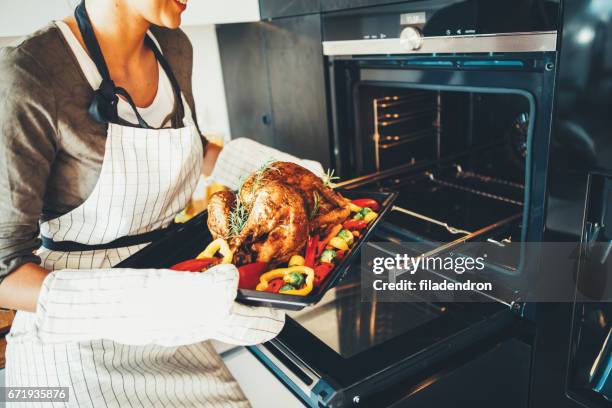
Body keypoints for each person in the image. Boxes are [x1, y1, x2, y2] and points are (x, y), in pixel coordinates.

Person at [0, 0, 321, 406]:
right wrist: (160, 302)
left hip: (177, 312)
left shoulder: (173, 45)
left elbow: (194, 148)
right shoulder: (29, 71)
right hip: (75, 346)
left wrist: (280, 174)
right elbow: (5, 275)